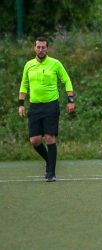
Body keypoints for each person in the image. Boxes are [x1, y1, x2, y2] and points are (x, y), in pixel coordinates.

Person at [18, 37, 75, 182]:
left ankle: (51, 173)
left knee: (50, 137)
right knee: (35, 140)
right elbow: (24, 85)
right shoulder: (29, 65)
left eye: (43, 47)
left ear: (47, 48)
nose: (41, 50)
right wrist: (21, 104)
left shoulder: (55, 64)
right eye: (38, 47)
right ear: (34, 48)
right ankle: (49, 162)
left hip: (51, 105)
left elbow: (66, 80)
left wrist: (70, 100)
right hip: (35, 106)